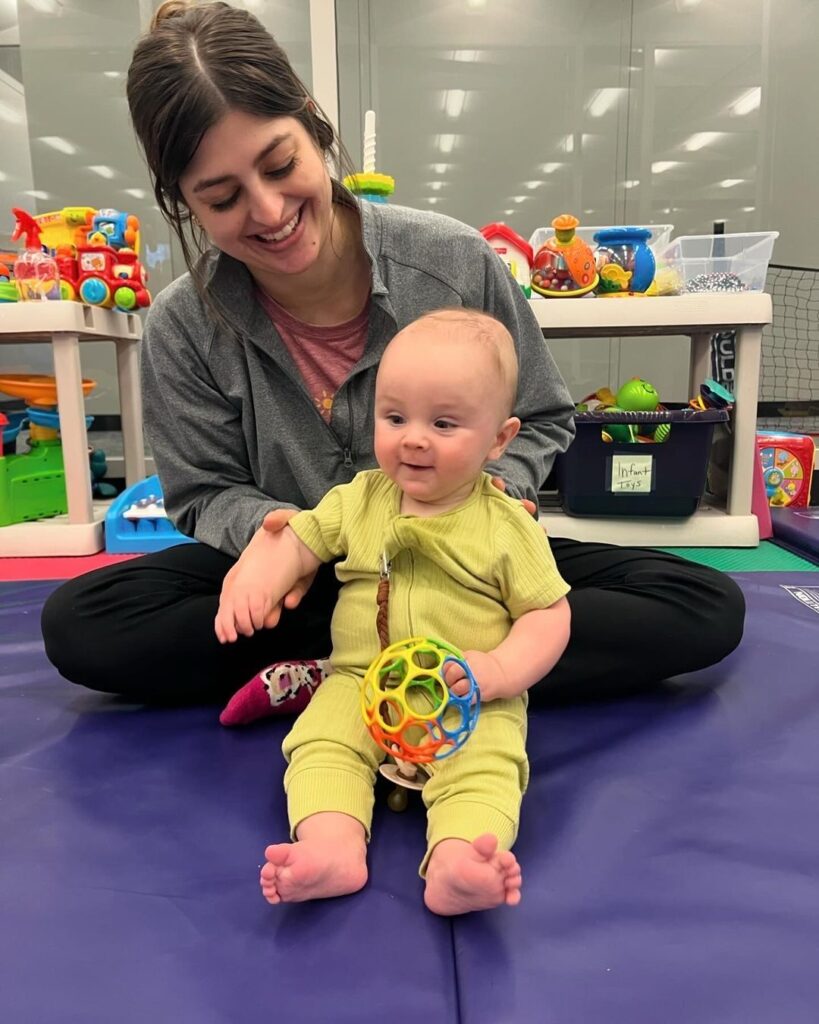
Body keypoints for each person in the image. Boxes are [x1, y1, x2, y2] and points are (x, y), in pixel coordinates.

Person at [41, 0, 744, 716]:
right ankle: (405, 662)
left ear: (313, 124)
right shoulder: (182, 325)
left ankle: (361, 669)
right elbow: (203, 490)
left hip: (467, 564)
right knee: (82, 624)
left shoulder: (452, 262)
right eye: (222, 199)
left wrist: (488, 498)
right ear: (184, 203)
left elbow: (537, 415)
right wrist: (283, 541)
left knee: (701, 603)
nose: (267, 211)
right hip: (301, 578)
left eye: (280, 165)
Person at [218, 308, 571, 914]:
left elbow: (548, 615)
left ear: (499, 439)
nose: (413, 437)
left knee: (487, 765)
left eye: (443, 423)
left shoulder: (507, 526)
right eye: (394, 417)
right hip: (360, 681)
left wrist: (497, 672)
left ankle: (460, 862)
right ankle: (331, 845)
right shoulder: (360, 498)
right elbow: (302, 538)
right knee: (322, 744)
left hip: (465, 694)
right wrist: (261, 579)